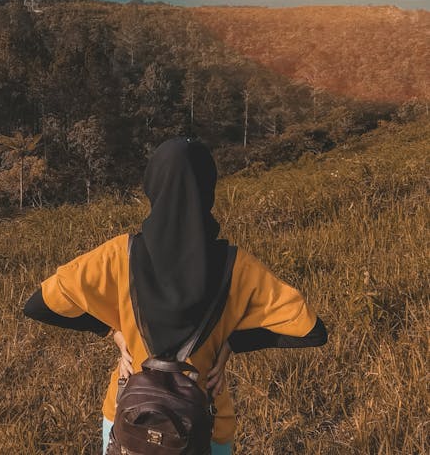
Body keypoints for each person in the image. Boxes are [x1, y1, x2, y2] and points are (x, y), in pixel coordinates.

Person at [24, 136, 327, 453]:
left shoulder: (118, 255)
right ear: (208, 191)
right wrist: (231, 345)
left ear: (153, 185)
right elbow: (311, 331)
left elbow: (38, 306)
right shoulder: (237, 267)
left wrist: (112, 331)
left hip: (129, 417)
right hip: (204, 425)